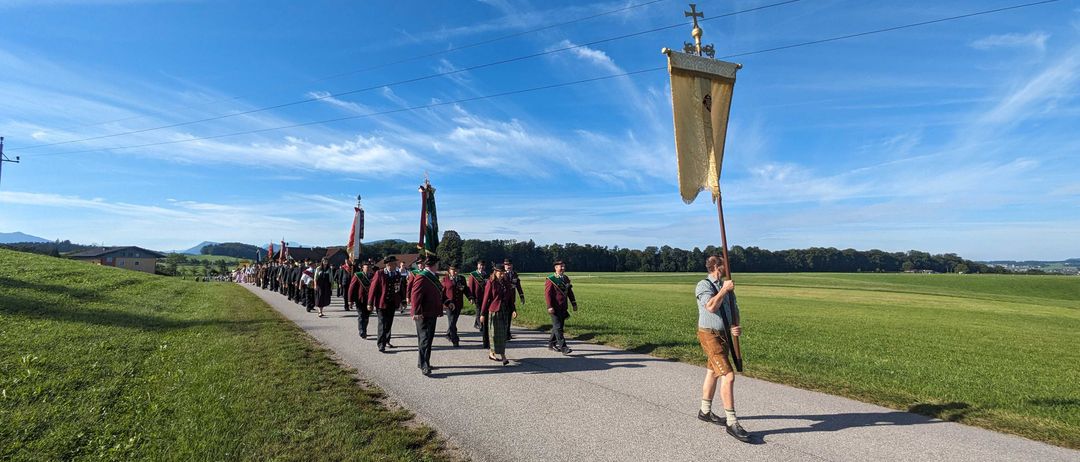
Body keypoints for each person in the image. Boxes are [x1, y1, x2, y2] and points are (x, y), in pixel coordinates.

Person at [695, 255, 751, 443]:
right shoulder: (704, 285)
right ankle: (732, 422)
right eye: (725, 266)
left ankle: (705, 411)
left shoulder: (727, 287)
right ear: (717, 268)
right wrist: (724, 291)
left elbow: (734, 310)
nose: (728, 269)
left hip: (724, 335)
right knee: (728, 375)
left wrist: (736, 326)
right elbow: (711, 307)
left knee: (712, 372)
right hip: (709, 335)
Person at [410, 255, 449, 376]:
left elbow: (439, 293)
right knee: (425, 339)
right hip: (424, 313)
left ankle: (422, 361)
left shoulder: (433, 276)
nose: (438, 266)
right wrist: (416, 312)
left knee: (427, 339)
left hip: (432, 312)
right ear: (433, 265)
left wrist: (447, 302)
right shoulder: (422, 277)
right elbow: (415, 295)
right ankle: (424, 365)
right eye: (437, 264)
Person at [480, 266, 516, 365]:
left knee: (502, 335)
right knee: (494, 334)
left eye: (503, 273)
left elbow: (510, 298)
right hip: (494, 311)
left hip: (504, 311)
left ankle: (493, 353)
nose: (502, 274)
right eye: (500, 272)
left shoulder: (506, 283)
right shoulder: (490, 283)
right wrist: (482, 313)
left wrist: (513, 309)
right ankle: (503, 357)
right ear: (495, 272)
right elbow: (486, 299)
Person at [368, 256, 403, 352]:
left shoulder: (397, 274)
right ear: (388, 264)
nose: (396, 265)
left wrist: (401, 301)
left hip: (392, 303)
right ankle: (381, 344)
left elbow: (399, 289)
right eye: (394, 263)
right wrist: (370, 303)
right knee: (382, 323)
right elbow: (372, 289)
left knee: (389, 323)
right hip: (381, 303)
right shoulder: (380, 273)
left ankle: (387, 340)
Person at [544, 260, 578, 354]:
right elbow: (548, 294)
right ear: (556, 268)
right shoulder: (550, 279)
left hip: (563, 306)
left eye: (563, 266)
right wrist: (549, 306)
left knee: (558, 327)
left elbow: (569, 292)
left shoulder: (566, 278)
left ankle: (551, 343)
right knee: (558, 327)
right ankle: (564, 348)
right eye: (561, 267)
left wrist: (574, 303)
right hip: (554, 307)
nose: (563, 268)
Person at [441, 263, 473, 347]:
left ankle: (448, 334)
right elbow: (441, 292)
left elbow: (466, 289)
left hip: (458, 304)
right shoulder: (445, 279)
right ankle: (455, 339)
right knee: (452, 321)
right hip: (449, 305)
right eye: (453, 270)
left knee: (453, 321)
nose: (455, 272)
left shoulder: (461, 279)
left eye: (456, 270)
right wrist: (444, 302)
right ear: (449, 271)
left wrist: (470, 297)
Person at [468, 260, 490, 347]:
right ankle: (480, 325)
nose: (482, 267)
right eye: (480, 265)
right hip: (477, 297)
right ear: (477, 266)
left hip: (486, 297)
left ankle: (478, 323)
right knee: (478, 310)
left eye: (483, 265)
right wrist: (471, 297)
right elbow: (471, 287)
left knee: (483, 311)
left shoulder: (487, 275)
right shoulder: (473, 275)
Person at [350, 259, 375, 338]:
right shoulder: (358, 275)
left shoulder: (373, 276)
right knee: (361, 315)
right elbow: (352, 288)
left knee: (367, 316)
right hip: (360, 299)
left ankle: (365, 329)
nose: (368, 268)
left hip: (369, 300)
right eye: (366, 267)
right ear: (363, 268)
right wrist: (350, 300)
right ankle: (362, 330)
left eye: (369, 267)